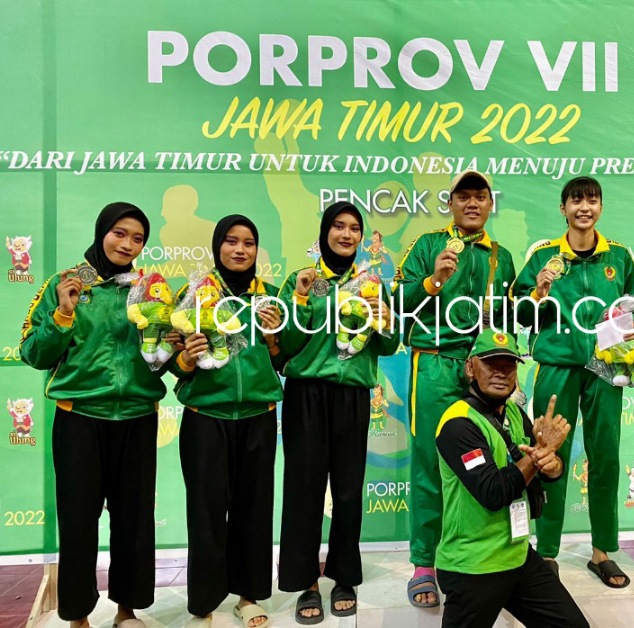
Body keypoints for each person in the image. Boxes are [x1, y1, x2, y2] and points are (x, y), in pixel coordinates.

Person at [19, 202, 166, 628]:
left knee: (134, 521)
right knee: (79, 522)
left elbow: (162, 359)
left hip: (137, 417)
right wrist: (63, 314)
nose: (128, 244)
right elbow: (33, 352)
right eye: (120, 233)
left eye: (138, 238)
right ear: (102, 232)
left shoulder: (149, 289)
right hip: (80, 418)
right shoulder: (66, 283)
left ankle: (127, 611)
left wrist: (171, 343)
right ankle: (77, 616)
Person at [511, 176, 634, 586]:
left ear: (600, 207)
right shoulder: (544, 256)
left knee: (605, 455)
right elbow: (518, 313)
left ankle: (602, 551)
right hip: (557, 365)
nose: (584, 208)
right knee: (547, 454)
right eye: (576, 201)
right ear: (563, 208)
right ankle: (547, 550)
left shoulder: (618, 256)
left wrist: (631, 327)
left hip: (606, 367)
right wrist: (537, 293)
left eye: (591, 201)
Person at [393, 170, 517, 606]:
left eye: (480, 196)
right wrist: (433, 281)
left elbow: (508, 320)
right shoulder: (428, 245)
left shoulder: (501, 257)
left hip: (482, 369)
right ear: (450, 203)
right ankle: (424, 563)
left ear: (490, 204)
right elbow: (395, 302)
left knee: (488, 463)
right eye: (463, 196)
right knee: (430, 465)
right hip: (433, 365)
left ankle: (477, 557)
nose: (472, 203)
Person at [277, 202, 400, 624]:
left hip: (352, 395)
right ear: (324, 231)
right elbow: (285, 344)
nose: (346, 235)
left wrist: (386, 320)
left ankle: (344, 575)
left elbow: (389, 345)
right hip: (306, 393)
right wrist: (299, 297)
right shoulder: (302, 279)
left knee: (347, 491)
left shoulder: (372, 283)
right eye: (338, 226)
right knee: (304, 490)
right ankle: (305, 581)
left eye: (354, 228)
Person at [168, 215, 282, 628]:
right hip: (206, 418)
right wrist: (185, 358)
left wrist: (273, 340)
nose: (240, 250)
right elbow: (170, 364)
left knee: (254, 512)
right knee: (206, 515)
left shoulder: (271, 299)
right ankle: (203, 605)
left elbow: (284, 361)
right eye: (231, 241)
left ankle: (248, 597)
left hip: (258, 417)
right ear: (218, 246)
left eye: (249, 243)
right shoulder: (193, 295)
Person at [434, 329, 588, 628]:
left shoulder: (515, 413)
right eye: (491, 364)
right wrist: (537, 458)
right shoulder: (458, 423)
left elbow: (543, 471)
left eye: (508, 365)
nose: (501, 373)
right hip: (473, 565)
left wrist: (552, 464)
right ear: (470, 368)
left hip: (518, 556)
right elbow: (493, 493)